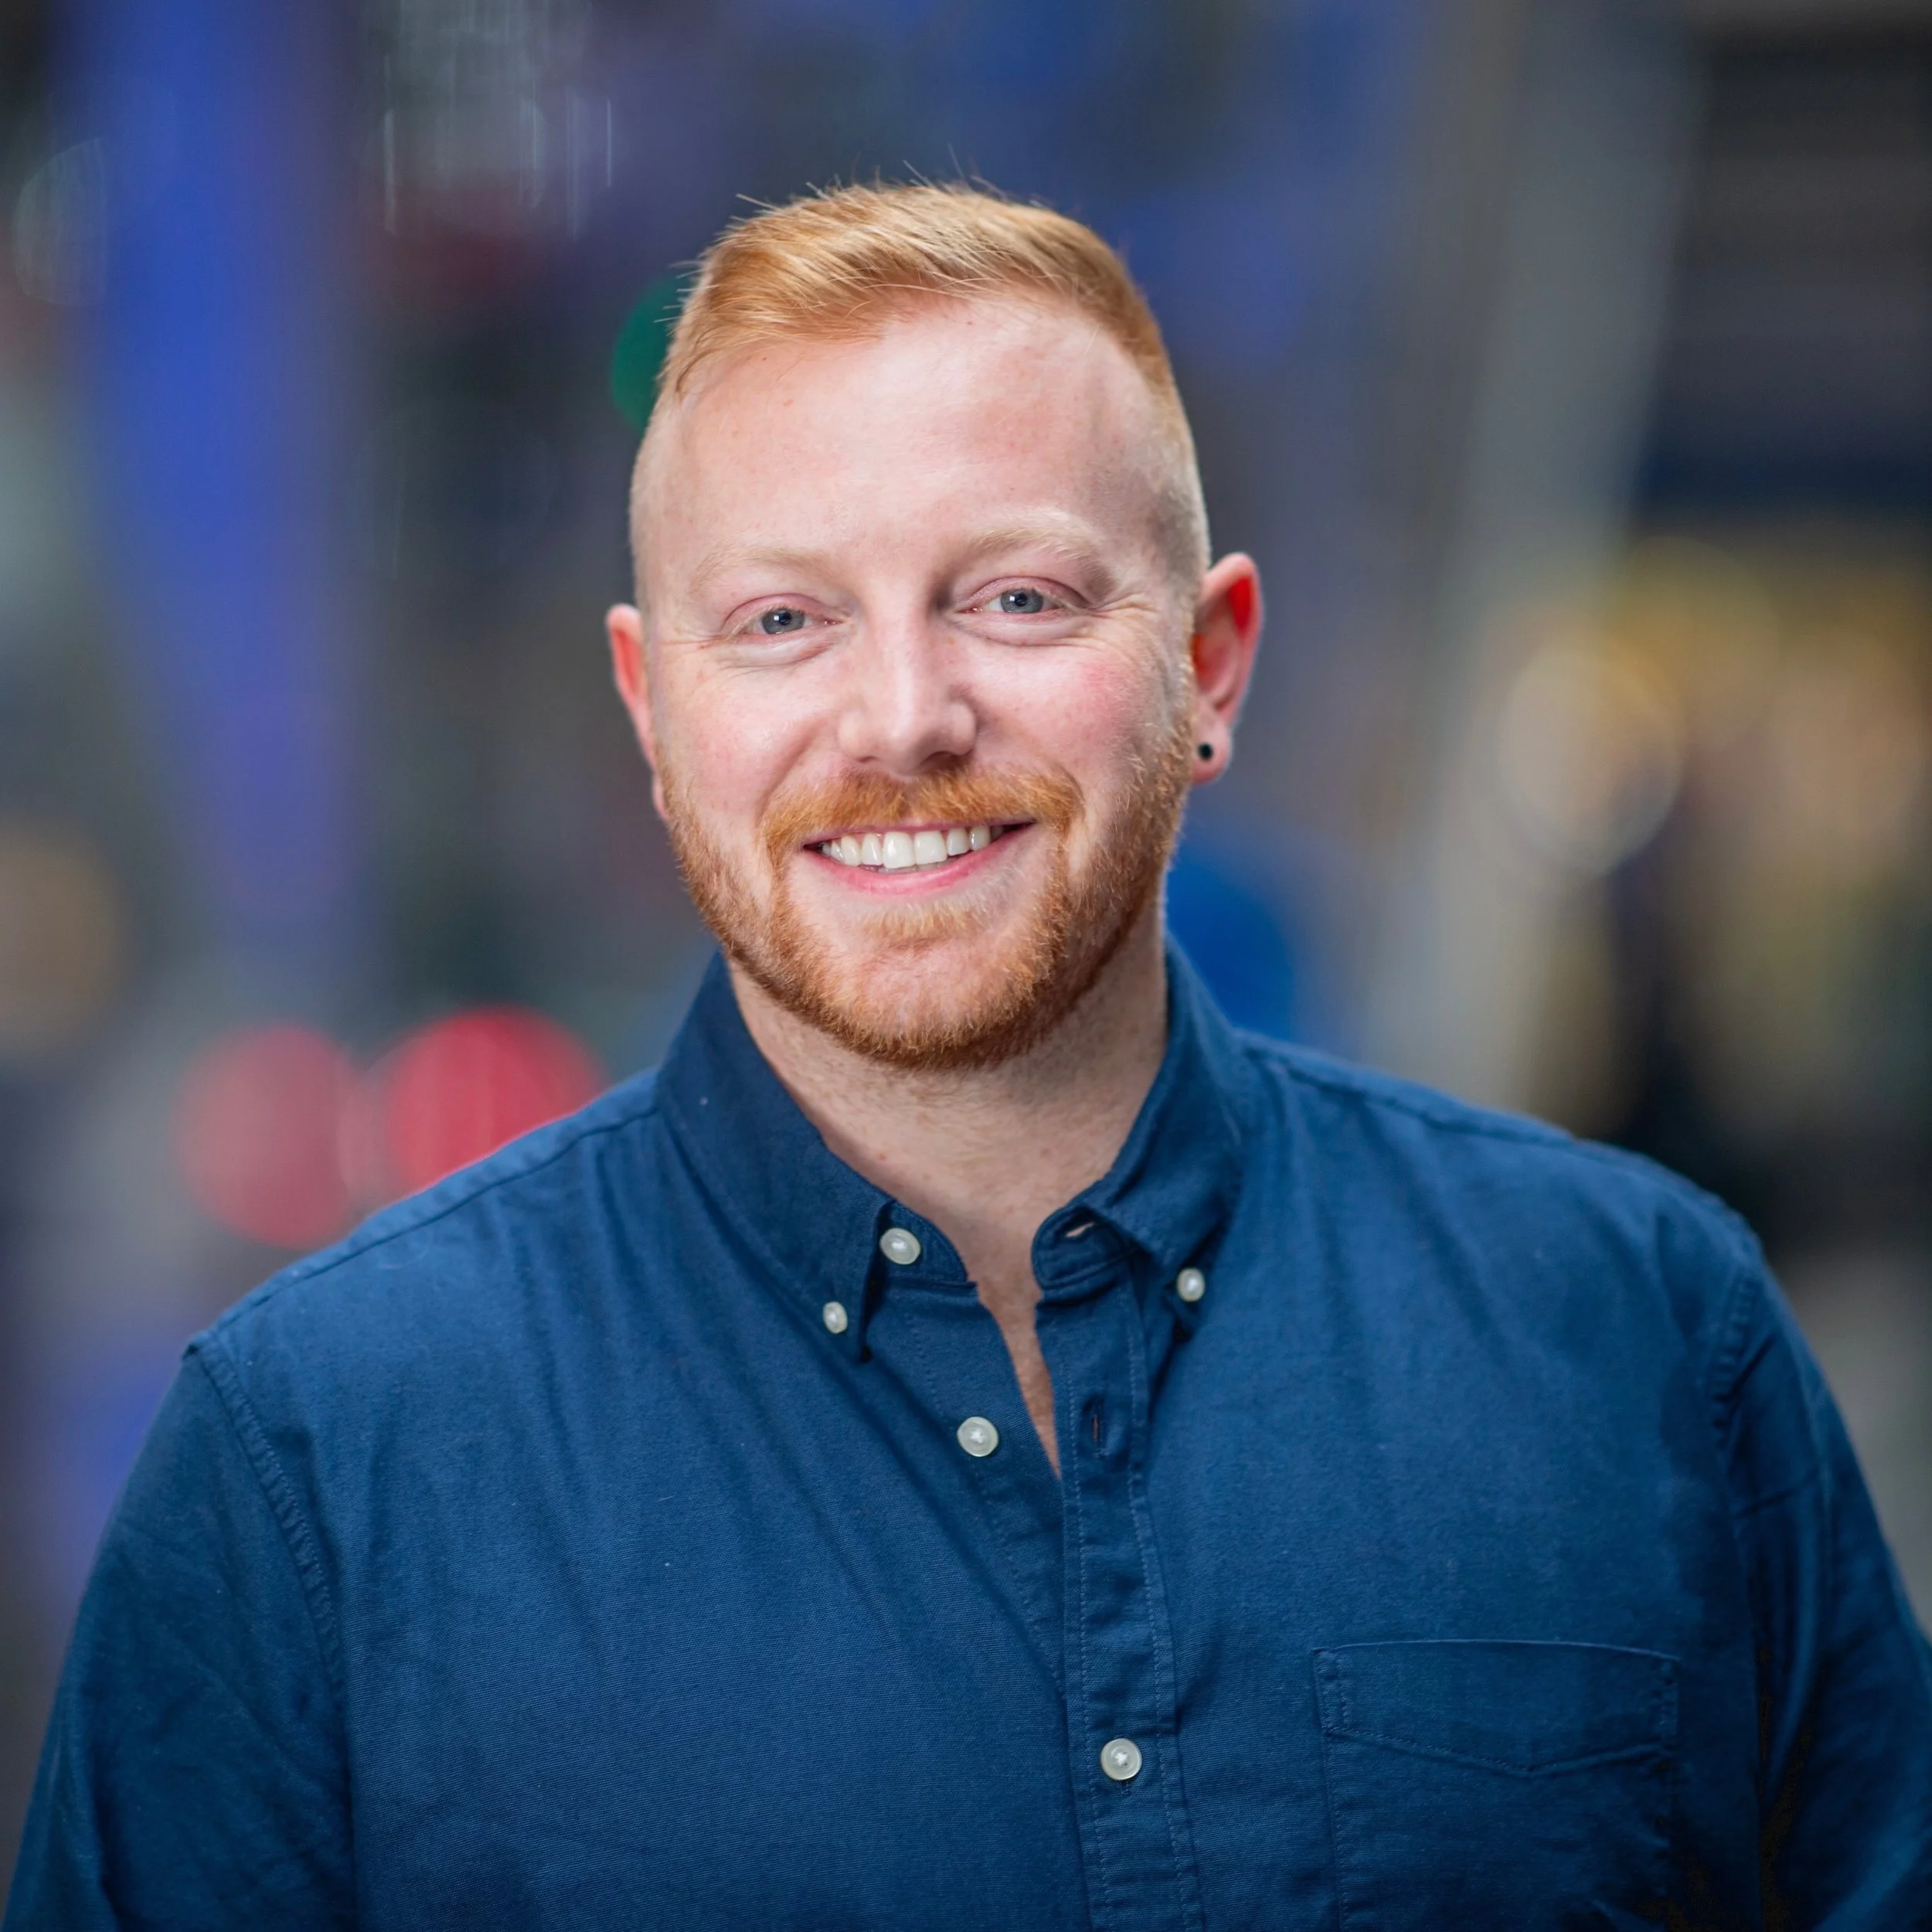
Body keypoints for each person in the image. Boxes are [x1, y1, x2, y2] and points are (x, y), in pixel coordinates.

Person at [8, 182, 1930, 1932]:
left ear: (1212, 663)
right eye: (780, 619)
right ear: (652, 708)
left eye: (1015, 598)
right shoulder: (316, 1463)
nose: (904, 714)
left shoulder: (1641, 1336)